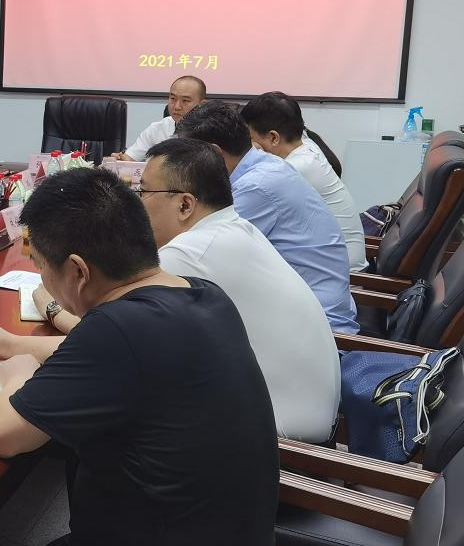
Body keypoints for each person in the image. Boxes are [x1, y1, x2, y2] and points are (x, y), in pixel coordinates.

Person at [0, 169, 277, 546]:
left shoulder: (117, 330)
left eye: (42, 266)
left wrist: (18, 374)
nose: (42, 277)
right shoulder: (200, 294)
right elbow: (108, 354)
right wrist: (14, 343)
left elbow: (3, 436)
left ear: (78, 271)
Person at [142, 138, 340, 443]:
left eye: (143, 192)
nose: (137, 203)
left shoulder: (192, 251)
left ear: (185, 204)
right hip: (303, 409)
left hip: (280, 433)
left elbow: (111, 330)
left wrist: (61, 304)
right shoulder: (232, 228)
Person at [176, 101, 359, 334]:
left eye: (184, 158)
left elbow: (201, 251)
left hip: (318, 330)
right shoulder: (266, 166)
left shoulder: (257, 186)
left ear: (214, 153)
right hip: (303, 313)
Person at [241, 92, 367, 272]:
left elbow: (242, 218)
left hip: (342, 275)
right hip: (332, 261)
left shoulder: (292, 169)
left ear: (274, 138)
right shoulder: (307, 147)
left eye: (251, 139)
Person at [111, 75, 206, 161]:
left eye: (185, 100)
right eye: (173, 98)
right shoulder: (157, 129)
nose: (177, 106)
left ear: (201, 104)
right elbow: (131, 158)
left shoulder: (209, 132)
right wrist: (121, 159)